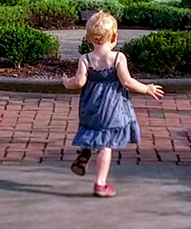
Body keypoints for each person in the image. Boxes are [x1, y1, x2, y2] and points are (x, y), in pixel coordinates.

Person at [62, 11, 164, 198]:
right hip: (112, 107)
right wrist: (146, 88)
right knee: (105, 144)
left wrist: (66, 82)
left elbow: (79, 82)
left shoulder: (85, 59)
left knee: (93, 129)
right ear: (115, 36)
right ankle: (100, 183)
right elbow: (127, 82)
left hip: (90, 105)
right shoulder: (118, 58)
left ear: (88, 38)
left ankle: (85, 153)